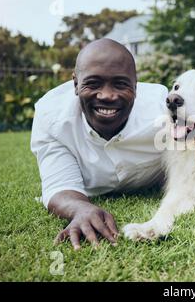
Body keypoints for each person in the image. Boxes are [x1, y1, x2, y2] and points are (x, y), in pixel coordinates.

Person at [31, 38, 168, 249]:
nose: (107, 95)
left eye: (120, 84)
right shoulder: (52, 118)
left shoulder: (163, 110)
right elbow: (60, 186)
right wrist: (80, 209)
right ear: (75, 84)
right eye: (93, 83)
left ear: (136, 86)